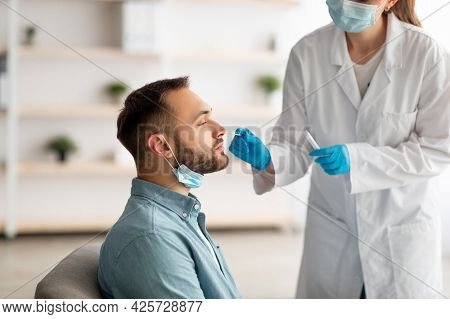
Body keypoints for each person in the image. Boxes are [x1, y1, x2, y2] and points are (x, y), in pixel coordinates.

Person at [229, 0, 449, 298]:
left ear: (391, 2)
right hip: (333, 229)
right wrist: (269, 159)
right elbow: (293, 143)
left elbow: (438, 148)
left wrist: (357, 160)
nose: (348, 2)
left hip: (400, 232)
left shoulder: (425, 53)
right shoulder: (307, 53)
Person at [98, 77, 241, 299]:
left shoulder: (182, 217)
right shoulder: (152, 237)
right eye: (202, 123)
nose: (221, 129)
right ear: (162, 146)